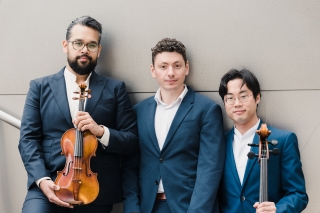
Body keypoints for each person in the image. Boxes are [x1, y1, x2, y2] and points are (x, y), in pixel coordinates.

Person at [18, 16, 138, 213]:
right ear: (66, 46)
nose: (84, 50)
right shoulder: (39, 87)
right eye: (78, 43)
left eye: (91, 45)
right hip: (50, 181)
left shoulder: (115, 88)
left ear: (98, 50)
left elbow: (131, 140)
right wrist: (42, 179)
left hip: (95, 188)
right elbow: (27, 139)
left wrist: (100, 131)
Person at [123, 38, 225, 213]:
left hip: (189, 207)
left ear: (186, 67)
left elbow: (210, 168)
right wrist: (132, 209)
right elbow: (130, 166)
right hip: (149, 207)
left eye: (177, 66)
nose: (170, 72)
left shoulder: (207, 110)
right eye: (163, 66)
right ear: (153, 70)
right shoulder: (138, 111)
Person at [218, 69, 308, 213]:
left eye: (243, 96)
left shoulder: (283, 140)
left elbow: (298, 194)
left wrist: (277, 210)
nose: (237, 103)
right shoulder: (218, 142)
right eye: (230, 98)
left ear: (257, 97)